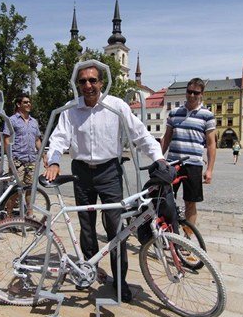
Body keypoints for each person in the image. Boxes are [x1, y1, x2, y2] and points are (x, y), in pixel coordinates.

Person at [44, 62, 165, 303]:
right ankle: (90, 270)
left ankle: (120, 281)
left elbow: (140, 134)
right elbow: (58, 138)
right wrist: (54, 160)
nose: (88, 85)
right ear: (77, 84)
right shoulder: (70, 111)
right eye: (82, 81)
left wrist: (159, 158)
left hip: (109, 172)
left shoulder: (116, 106)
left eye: (92, 80)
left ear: (101, 82)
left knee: (116, 229)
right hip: (81, 173)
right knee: (86, 228)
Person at [161, 77, 216, 228]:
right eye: (189, 92)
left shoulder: (207, 115)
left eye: (195, 93)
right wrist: (159, 158)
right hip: (173, 164)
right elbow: (166, 138)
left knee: (190, 202)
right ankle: (167, 234)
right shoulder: (174, 113)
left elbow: (211, 144)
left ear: (201, 94)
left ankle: (187, 238)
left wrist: (209, 169)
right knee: (165, 199)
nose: (192, 95)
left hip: (193, 165)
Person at [0, 95, 45, 216]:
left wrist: (44, 155)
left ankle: (30, 213)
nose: (28, 104)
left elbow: (37, 140)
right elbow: (6, 139)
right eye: (25, 102)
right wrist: (10, 158)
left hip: (31, 160)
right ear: (19, 104)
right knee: (15, 190)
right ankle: (8, 215)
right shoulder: (12, 120)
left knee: (30, 188)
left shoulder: (34, 122)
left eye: (29, 102)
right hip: (17, 160)